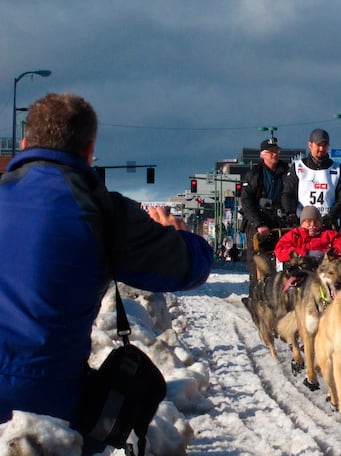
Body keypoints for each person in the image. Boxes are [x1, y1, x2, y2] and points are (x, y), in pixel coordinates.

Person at [0, 93, 213, 425]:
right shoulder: (104, 210)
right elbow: (190, 267)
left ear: (25, 143)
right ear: (88, 151)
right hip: (47, 402)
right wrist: (179, 234)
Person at [240, 137, 289, 281]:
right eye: (271, 152)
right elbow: (247, 201)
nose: (275, 154)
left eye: (276, 151)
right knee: (258, 265)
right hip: (259, 225)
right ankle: (256, 293)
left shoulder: (287, 172)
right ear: (262, 154)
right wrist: (258, 223)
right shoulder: (254, 174)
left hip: (281, 223)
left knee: (285, 262)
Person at [281, 129, 341, 230]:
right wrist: (290, 213)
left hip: (326, 225)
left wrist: (332, 216)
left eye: (325, 145)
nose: (322, 149)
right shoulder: (297, 167)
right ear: (310, 145)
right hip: (302, 224)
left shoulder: (338, 170)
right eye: (318, 145)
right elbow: (288, 193)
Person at [273, 205, 341, 263]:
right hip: (301, 269)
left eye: (316, 221)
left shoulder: (329, 235)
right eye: (308, 221)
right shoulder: (294, 235)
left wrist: (329, 254)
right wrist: (304, 253)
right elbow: (280, 250)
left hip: (324, 269)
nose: (312, 224)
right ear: (302, 223)